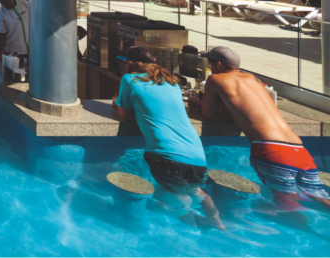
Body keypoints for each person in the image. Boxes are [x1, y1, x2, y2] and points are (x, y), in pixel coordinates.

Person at [191, 46, 330, 212]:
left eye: (210, 63)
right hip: (299, 150)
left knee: (287, 205)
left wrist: (197, 106)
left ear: (218, 64)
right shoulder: (253, 78)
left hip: (271, 151)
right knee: (321, 199)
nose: (210, 67)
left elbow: (209, 115)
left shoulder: (216, 79)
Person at [113, 46, 223, 229]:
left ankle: (191, 227)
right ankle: (217, 221)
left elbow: (125, 115)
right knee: (196, 191)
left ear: (130, 63)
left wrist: (118, 107)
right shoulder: (171, 82)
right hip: (196, 154)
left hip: (165, 154)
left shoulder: (129, 79)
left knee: (177, 197)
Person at [0, 0, 29, 74]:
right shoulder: (0, 14)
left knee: (29, 75)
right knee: (14, 75)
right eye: (4, 4)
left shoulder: (25, 4)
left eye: (8, 2)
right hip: (13, 52)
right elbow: (2, 35)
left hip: (30, 49)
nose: (7, 5)